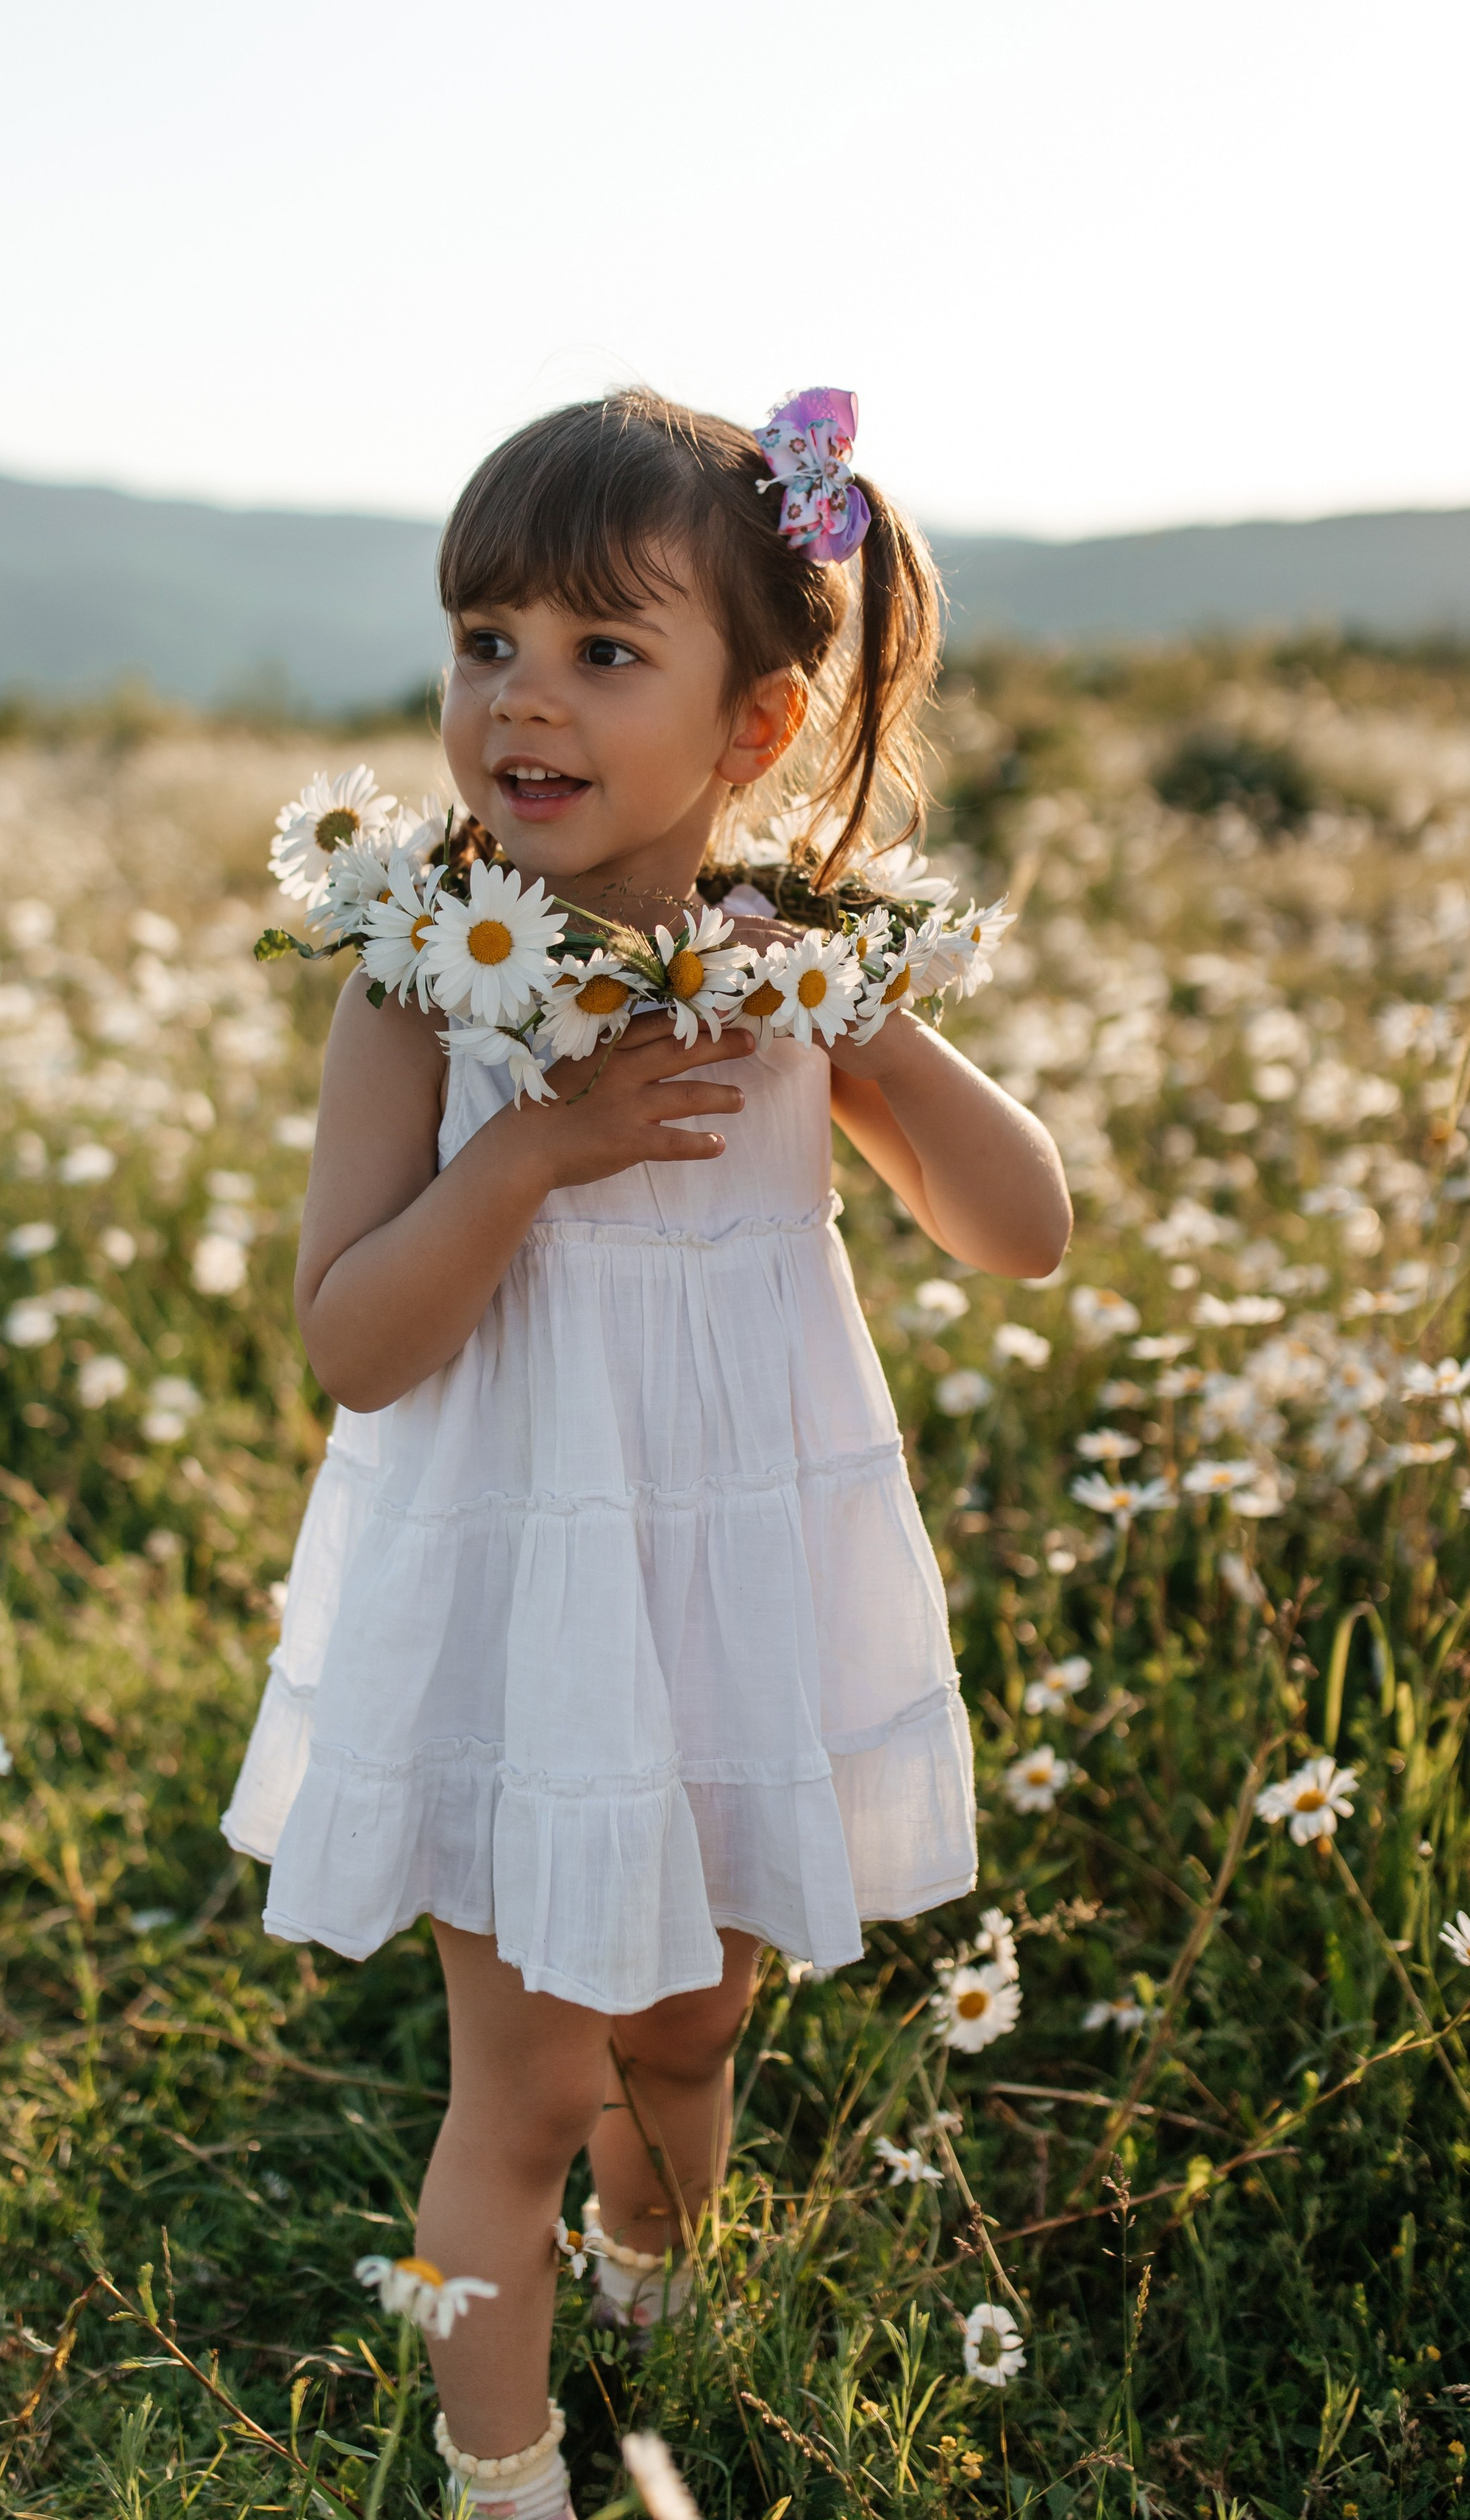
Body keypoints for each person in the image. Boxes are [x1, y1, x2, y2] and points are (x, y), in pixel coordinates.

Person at [223, 388, 1071, 2519]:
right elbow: (355, 1347)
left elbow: (1024, 1231)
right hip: (523, 1612)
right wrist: (532, 1158)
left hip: (738, 1597)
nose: (523, 697)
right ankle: (501, 2470)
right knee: (522, 2083)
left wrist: (863, 1013)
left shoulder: (793, 978)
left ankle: (650, 2300)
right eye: (484, 638)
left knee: (691, 2032)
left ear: (756, 726)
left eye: (606, 652)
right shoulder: (422, 988)